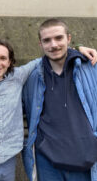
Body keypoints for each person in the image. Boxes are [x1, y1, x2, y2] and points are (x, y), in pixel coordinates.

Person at [0, 38, 97, 181]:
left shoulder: (18, 76)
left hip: (8, 157)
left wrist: (77, 48)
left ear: (10, 62)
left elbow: (49, 56)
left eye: (3, 58)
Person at [22, 18, 97, 181]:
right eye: (47, 40)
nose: (53, 45)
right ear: (40, 44)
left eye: (58, 38)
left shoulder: (91, 68)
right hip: (48, 164)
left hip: (86, 161)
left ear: (69, 38)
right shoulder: (32, 77)